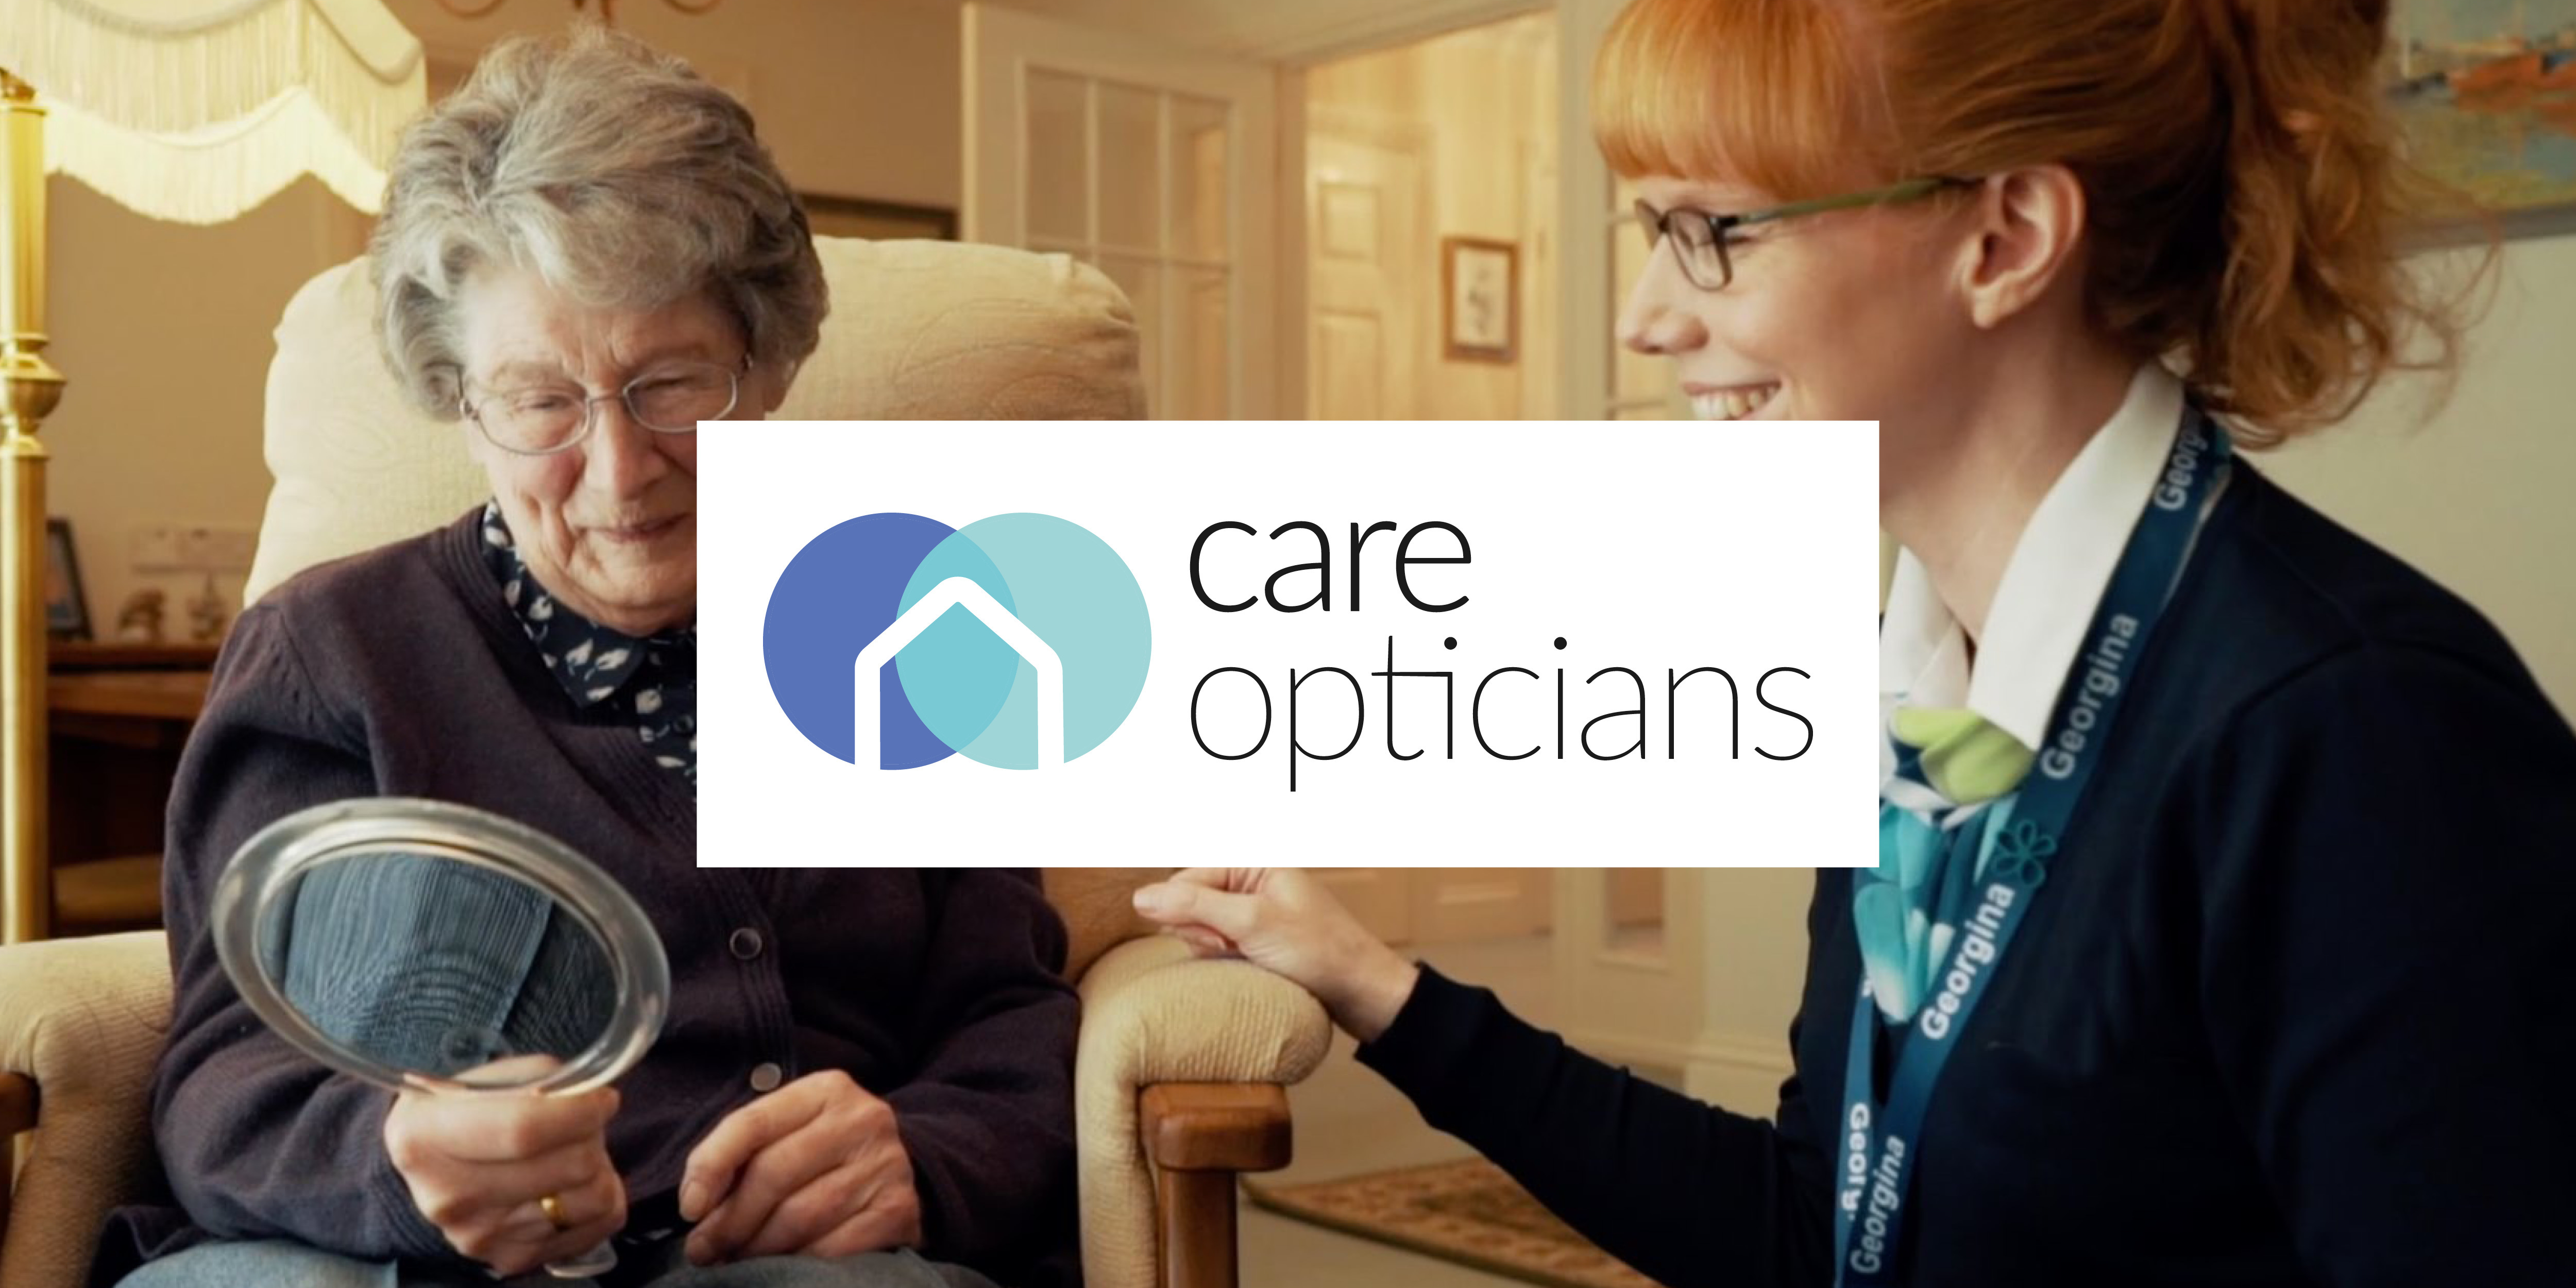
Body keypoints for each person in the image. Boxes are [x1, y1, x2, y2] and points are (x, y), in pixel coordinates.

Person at [1134, 0, 2576, 1285]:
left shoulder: (2359, 734)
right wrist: (1375, 982)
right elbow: (1820, 1224)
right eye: (1651, 232)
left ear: (2004, 239)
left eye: (1715, 231)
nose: (1646, 320)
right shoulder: (1922, 705)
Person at [101, 28, 1080, 1288]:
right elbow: (226, 1077)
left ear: (768, 368)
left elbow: (1009, 1006)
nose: (620, 475)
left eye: (673, 384)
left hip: (791, 1263)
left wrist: (928, 1151)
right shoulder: (331, 652)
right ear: (460, 401)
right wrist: (401, 1161)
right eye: (541, 400)